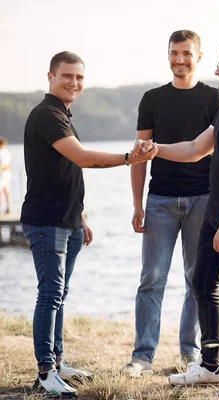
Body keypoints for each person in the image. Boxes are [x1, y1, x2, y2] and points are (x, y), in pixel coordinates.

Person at [20, 51, 157, 399]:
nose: (74, 83)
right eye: (67, 76)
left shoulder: (63, 115)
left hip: (67, 220)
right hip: (45, 221)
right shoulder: (47, 115)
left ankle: (59, 362)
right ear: (50, 77)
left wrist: (80, 216)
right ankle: (45, 372)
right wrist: (130, 157)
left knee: (59, 295)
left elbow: (62, 172)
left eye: (80, 77)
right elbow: (82, 158)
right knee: (50, 294)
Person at [136, 40, 219, 388]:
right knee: (203, 283)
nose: (216, 70)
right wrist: (156, 149)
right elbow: (196, 149)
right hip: (216, 213)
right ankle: (210, 364)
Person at [122, 30, 219, 377]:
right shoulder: (152, 99)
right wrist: (137, 204)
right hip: (160, 200)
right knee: (151, 278)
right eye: (174, 53)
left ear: (198, 56)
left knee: (198, 280)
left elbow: (218, 151)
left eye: (186, 53)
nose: (179, 59)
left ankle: (189, 352)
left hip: (203, 200)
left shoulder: (215, 99)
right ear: (168, 55)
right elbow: (140, 156)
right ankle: (142, 356)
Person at [0, 136, 11, 214]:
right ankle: (8, 207)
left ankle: (2, 208)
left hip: (3, 175)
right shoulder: (6, 152)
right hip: (7, 174)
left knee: (2, 192)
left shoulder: (3, 152)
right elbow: (10, 165)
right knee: (6, 191)